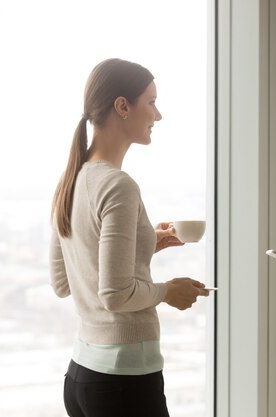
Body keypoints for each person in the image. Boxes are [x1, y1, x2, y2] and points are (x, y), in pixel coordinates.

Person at [49, 58, 210, 417]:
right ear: (123, 106)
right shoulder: (118, 185)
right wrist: (169, 291)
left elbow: (64, 281)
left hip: (82, 377)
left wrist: (143, 244)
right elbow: (115, 295)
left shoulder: (72, 180)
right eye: (151, 102)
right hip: (124, 382)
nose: (158, 115)